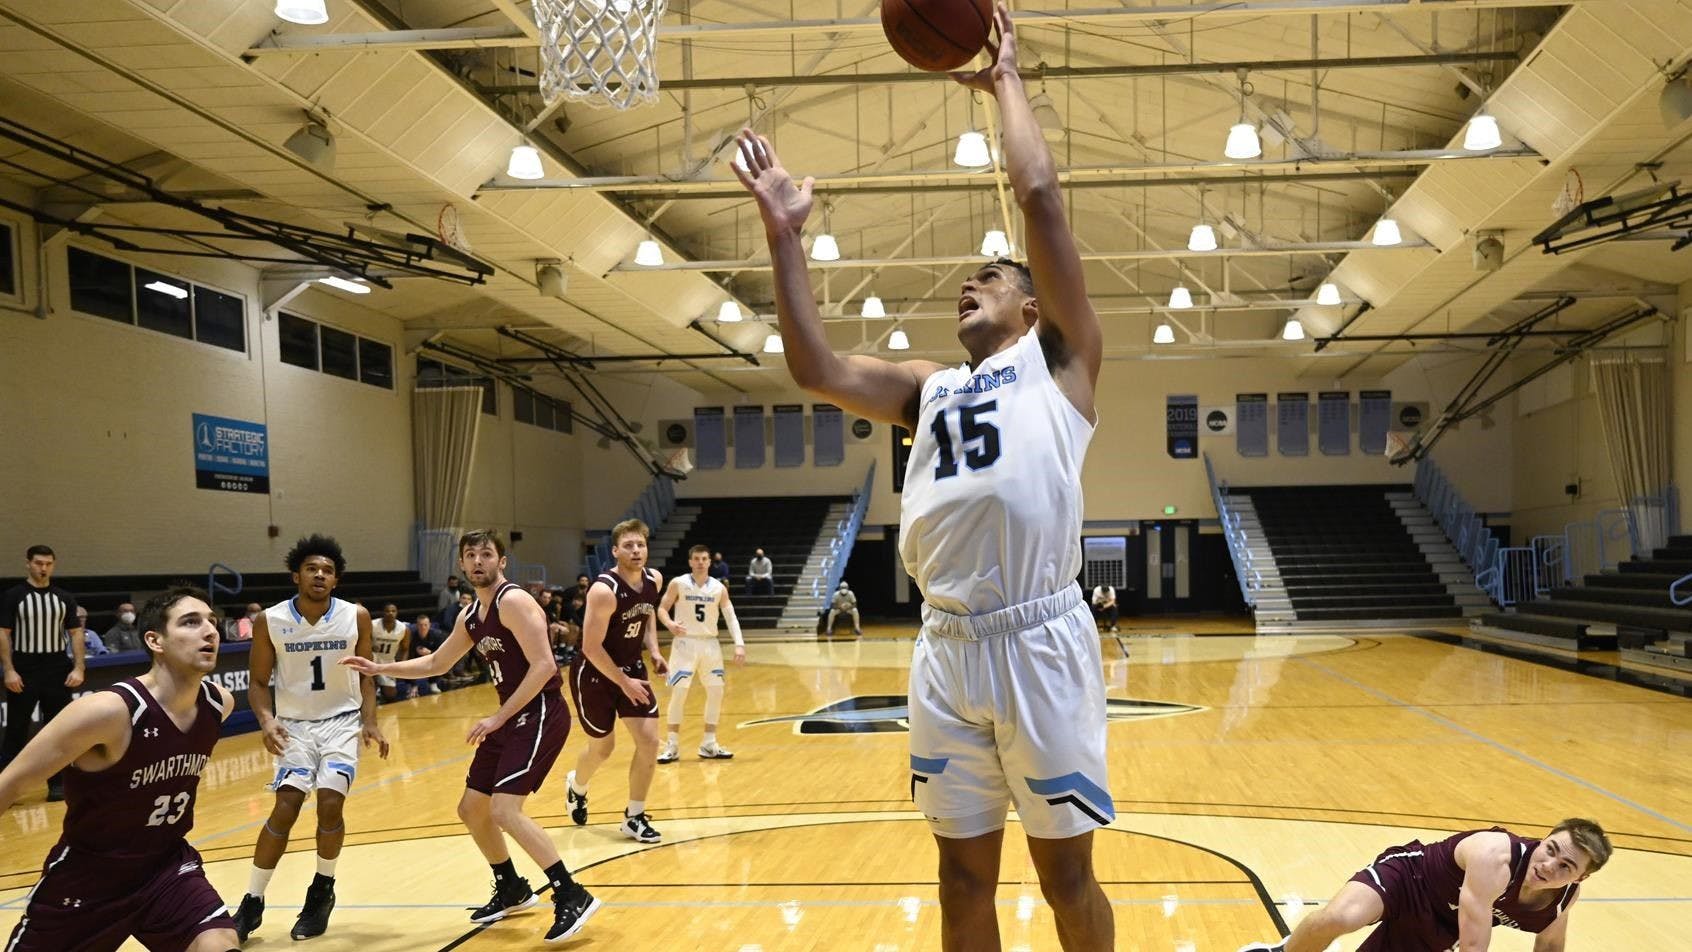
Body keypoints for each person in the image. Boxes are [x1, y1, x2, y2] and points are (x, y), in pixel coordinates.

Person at [733, 6, 1112, 948]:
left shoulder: (1061, 362)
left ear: (1031, 306)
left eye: (990, 276)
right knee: (957, 879)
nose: (969, 282)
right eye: (969, 276)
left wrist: (1006, 83)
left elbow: (1041, 199)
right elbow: (815, 370)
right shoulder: (927, 387)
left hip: (1038, 638)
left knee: (1065, 874)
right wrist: (785, 235)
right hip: (945, 643)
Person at [343, 530, 599, 943]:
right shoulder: (471, 616)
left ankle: (571, 893)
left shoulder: (513, 602)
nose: (478, 561)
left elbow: (543, 667)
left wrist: (497, 717)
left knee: (504, 811)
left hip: (539, 712)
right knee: (471, 808)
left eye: (486, 554)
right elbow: (437, 663)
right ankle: (512, 886)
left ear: (502, 562)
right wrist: (379, 669)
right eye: (470, 555)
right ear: (461, 565)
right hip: (509, 717)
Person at [0, 586, 240, 952]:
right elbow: (11, 784)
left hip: (165, 868)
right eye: (191, 622)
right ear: (154, 640)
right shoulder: (108, 712)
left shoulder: (217, 703)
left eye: (212, 621)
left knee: (219, 943)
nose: (210, 631)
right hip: (90, 877)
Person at [232, 535, 389, 943]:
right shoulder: (271, 619)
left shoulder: (356, 616)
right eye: (312, 569)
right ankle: (252, 900)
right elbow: (257, 681)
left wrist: (370, 722)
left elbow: (367, 673)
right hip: (294, 726)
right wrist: (266, 720)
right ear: (296, 575)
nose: (320, 575)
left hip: (341, 722)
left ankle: (322, 889)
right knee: (286, 806)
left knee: (330, 801)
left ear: (336, 580)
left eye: (328, 571)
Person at [1237, 819, 1612, 952]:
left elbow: (1549, 946)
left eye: (1566, 866)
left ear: (1580, 878)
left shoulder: (1562, 900)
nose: (1549, 866)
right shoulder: (1496, 856)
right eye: (1550, 850)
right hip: (1410, 880)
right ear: (1544, 838)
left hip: (1441, 924)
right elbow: (1474, 942)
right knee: (1340, 919)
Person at [566, 518, 668, 845]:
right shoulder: (603, 591)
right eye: (628, 545)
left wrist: (653, 649)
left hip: (631, 668)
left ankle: (634, 817)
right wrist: (624, 683)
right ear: (615, 551)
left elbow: (647, 612)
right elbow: (590, 648)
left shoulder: (654, 579)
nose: (636, 550)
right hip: (595, 673)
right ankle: (577, 786)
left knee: (650, 740)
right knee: (603, 748)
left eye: (640, 545)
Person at [1, 544, 86, 803]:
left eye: (48, 563)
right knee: (17, 729)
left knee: (58, 729)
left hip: (56, 668)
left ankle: (58, 784)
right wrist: (9, 670)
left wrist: (79, 666)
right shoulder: (13, 595)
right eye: (38, 563)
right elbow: (3, 632)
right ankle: (7, 786)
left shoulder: (63, 598)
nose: (43, 568)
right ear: (28, 563)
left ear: (54, 564)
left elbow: (75, 633)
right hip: (24, 669)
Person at [655, 545, 746, 764]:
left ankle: (709, 743)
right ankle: (673, 745)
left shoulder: (718, 588)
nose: (700, 562)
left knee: (716, 692)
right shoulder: (678, 583)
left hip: (710, 645)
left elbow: (731, 617)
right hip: (684, 644)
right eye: (696, 558)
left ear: (709, 562)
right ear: (690, 561)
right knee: (679, 693)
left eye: (704, 559)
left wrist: (739, 644)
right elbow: (661, 608)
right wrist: (669, 624)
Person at [370, 603, 411, 702]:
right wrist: (370, 645)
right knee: (370, 688)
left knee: (391, 694)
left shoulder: (403, 629)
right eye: (387, 611)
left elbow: (405, 649)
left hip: (388, 661)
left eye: (393, 611)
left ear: (397, 613)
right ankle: (375, 689)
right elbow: (363, 640)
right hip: (372, 659)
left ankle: (381, 691)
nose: (390, 613)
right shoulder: (373, 624)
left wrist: (402, 665)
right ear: (383, 613)